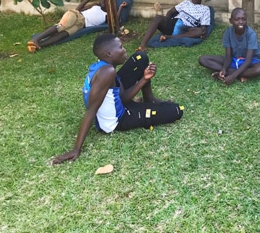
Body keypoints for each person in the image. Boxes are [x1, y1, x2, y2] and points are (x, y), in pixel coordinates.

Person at [53, 33, 184, 164]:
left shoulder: (104, 66)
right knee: (176, 110)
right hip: (118, 119)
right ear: (109, 54)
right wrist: (76, 149)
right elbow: (91, 110)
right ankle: (143, 106)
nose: (124, 49)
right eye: (121, 47)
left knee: (140, 57)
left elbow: (121, 96)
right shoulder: (107, 73)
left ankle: (149, 99)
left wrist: (144, 78)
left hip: (119, 103)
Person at [27, 0, 132, 52]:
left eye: (106, 1)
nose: (103, 2)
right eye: (102, 0)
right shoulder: (95, 5)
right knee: (61, 27)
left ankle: (39, 45)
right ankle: (37, 39)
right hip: (76, 15)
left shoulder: (108, 15)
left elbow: (116, 22)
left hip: (81, 25)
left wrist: (120, 8)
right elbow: (78, 9)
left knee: (65, 34)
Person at [198, 7, 260, 85]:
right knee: (203, 59)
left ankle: (232, 73)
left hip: (249, 61)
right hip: (234, 59)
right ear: (231, 21)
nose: (241, 22)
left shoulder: (251, 34)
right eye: (237, 19)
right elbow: (228, 56)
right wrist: (223, 69)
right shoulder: (228, 32)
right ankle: (240, 74)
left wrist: (233, 76)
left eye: (244, 19)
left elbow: (248, 60)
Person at [137, 0, 211, 51]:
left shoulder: (205, 9)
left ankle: (170, 37)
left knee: (200, 31)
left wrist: (203, 32)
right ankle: (143, 45)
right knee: (158, 17)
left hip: (187, 29)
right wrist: (167, 21)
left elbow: (203, 26)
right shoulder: (186, 3)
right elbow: (171, 11)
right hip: (174, 23)